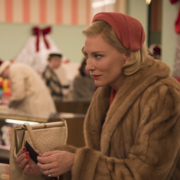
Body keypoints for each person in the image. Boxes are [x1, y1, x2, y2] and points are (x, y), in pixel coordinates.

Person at [16, 12, 180, 180]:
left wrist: (76, 162)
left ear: (127, 55)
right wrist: (50, 164)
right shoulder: (106, 92)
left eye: (98, 56)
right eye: (87, 56)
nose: (89, 66)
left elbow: (146, 174)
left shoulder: (163, 94)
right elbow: (102, 160)